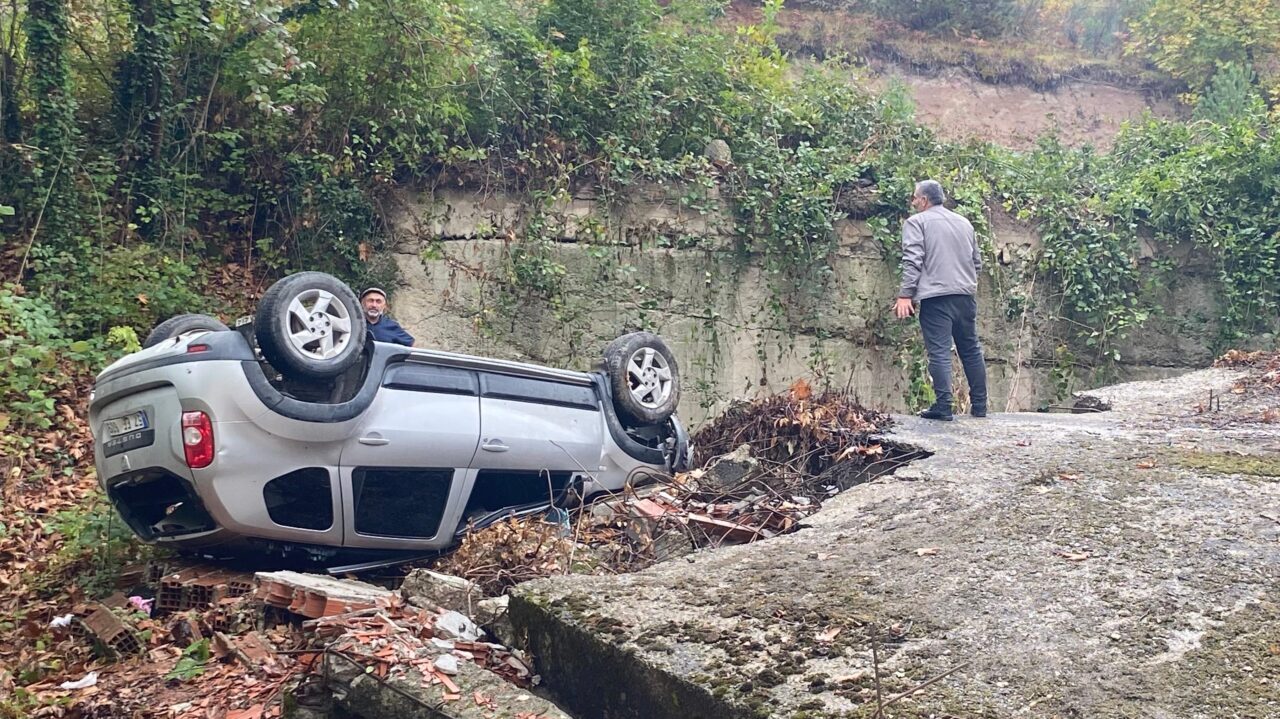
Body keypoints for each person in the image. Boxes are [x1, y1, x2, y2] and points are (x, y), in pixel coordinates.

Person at [893, 180, 988, 421]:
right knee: (971, 349)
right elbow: (977, 262)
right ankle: (980, 406)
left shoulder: (916, 223)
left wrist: (906, 295)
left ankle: (944, 406)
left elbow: (913, 260)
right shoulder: (964, 223)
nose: (913, 203)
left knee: (940, 352)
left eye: (915, 198)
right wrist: (963, 283)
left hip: (937, 299)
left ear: (924, 200)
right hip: (965, 297)